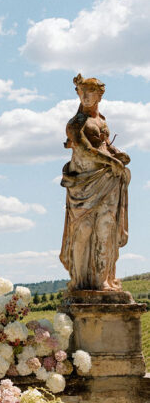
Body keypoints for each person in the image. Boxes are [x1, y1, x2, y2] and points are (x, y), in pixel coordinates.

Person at [60, 75, 130, 291]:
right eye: (82, 92)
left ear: (100, 95)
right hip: (83, 183)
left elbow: (104, 144)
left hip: (107, 179)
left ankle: (102, 281)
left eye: (90, 92)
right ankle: (80, 282)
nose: (85, 96)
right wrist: (112, 161)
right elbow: (85, 150)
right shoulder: (75, 123)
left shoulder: (102, 121)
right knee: (84, 229)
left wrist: (117, 154)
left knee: (106, 227)